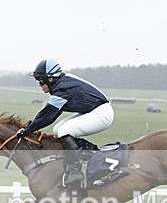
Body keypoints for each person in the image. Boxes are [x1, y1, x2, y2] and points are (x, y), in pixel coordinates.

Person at [16, 59, 114, 188]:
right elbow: (52, 114)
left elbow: (48, 114)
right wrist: (31, 127)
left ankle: (75, 172)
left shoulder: (63, 88)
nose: (40, 85)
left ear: (50, 79)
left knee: (64, 131)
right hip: (93, 110)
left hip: (102, 114)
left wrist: (28, 129)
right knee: (58, 130)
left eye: (41, 81)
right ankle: (87, 151)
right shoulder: (62, 83)